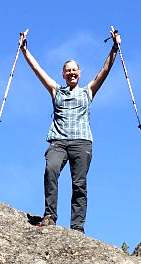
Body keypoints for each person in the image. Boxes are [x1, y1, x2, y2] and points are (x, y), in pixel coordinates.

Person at [20, 29, 120, 233]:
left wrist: (115, 48)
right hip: (58, 142)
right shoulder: (56, 90)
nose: (72, 73)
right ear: (63, 74)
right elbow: (38, 70)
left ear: (79, 73)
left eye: (75, 70)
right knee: (51, 170)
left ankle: (77, 227)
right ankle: (50, 216)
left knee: (79, 184)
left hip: (82, 142)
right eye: (68, 70)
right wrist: (24, 50)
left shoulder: (88, 91)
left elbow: (105, 71)